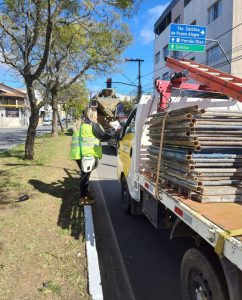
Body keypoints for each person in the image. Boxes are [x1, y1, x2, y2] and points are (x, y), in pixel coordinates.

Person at [70, 107, 115, 206]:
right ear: (92, 115)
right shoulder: (93, 125)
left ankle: (85, 194)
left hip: (77, 153)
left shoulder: (79, 123)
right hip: (87, 154)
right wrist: (113, 130)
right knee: (85, 177)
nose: (97, 117)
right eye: (96, 115)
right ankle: (83, 199)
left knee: (84, 175)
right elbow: (104, 136)